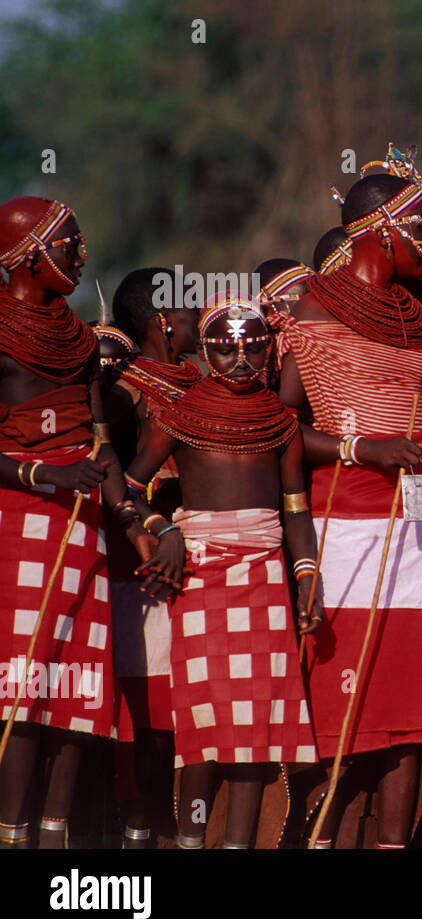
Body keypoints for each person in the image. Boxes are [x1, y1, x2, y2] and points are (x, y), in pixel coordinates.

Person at [278, 172, 422, 849]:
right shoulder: (311, 310)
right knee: (341, 716)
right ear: (377, 229)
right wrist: (362, 448)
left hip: (421, 540)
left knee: (415, 724)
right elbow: (283, 430)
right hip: (344, 532)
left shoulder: (420, 321)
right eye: (419, 224)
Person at [126, 297, 318, 848]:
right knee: (202, 727)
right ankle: (190, 840)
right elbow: (130, 489)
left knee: (256, 732)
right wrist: (163, 534)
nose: (240, 361)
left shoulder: (281, 424)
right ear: (207, 352)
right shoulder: (180, 416)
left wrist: (306, 577)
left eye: (253, 349)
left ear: (269, 353)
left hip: (264, 578)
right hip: (201, 576)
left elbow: (295, 511)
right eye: (227, 350)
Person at [0, 197, 136, 849]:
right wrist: (42, 475)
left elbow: (100, 443)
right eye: (69, 244)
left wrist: (135, 519)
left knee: (78, 687)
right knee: (21, 690)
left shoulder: (81, 341)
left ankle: (55, 840)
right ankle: (12, 834)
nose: (81, 256)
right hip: (15, 522)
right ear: (30, 256)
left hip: (83, 525)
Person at [101, 268, 202, 848]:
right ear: (164, 321)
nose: (199, 317)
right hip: (141, 563)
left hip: (198, 560)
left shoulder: (201, 382)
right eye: (189, 308)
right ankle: (139, 839)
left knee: (183, 713)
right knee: (146, 717)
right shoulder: (125, 390)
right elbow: (120, 479)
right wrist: (160, 526)